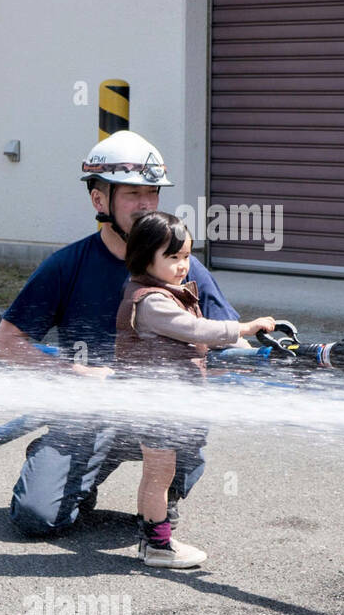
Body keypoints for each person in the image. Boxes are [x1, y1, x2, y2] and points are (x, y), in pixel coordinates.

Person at [0, 131, 242, 558]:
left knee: (185, 425)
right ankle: (64, 471)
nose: (146, 205)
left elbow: (225, 339)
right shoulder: (67, 266)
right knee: (36, 519)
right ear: (99, 201)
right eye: (132, 195)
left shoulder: (183, 266)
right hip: (89, 413)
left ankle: (165, 500)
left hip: (162, 411)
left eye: (152, 193)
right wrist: (76, 373)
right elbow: (5, 345)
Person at [115, 212, 275, 568]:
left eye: (186, 256)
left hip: (155, 403)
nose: (182, 266)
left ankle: (150, 542)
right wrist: (244, 329)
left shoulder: (158, 292)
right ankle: (158, 546)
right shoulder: (152, 301)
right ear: (144, 258)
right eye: (172, 258)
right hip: (155, 405)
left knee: (155, 474)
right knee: (160, 475)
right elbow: (195, 329)